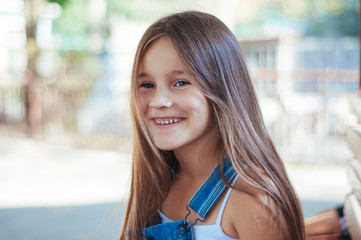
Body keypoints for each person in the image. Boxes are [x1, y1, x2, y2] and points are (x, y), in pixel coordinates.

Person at [119, 11, 305, 240]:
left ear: (221, 88)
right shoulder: (158, 180)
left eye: (180, 82)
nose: (158, 101)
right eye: (147, 84)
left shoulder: (253, 199)